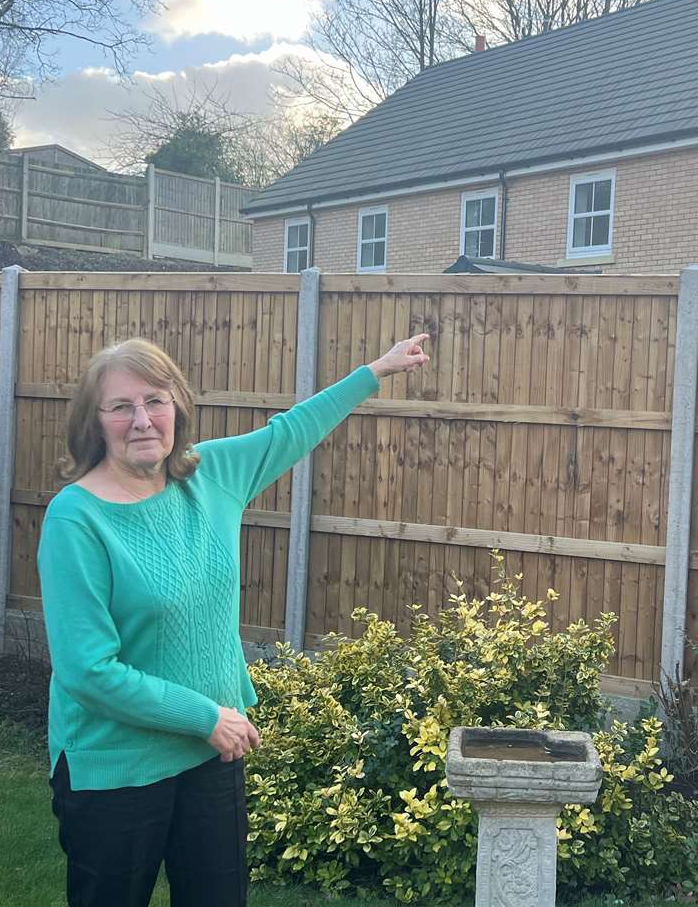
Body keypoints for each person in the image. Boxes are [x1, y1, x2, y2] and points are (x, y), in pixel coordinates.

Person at [38, 333, 428, 907]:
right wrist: (204, 716)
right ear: (94, 423)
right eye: (121, 407)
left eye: (156, 400)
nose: (142, 420)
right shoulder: (75, 518)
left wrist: (376, 370)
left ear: (178, 408)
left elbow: (290, 431)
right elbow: (87, 670)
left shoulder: (210, 474)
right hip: (116, 764)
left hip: (209, 753)